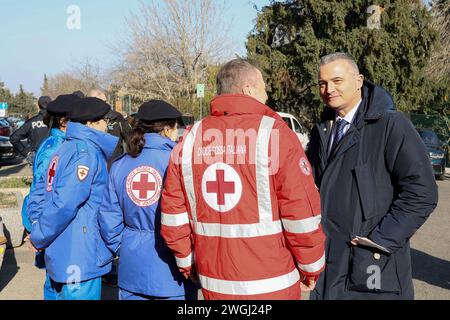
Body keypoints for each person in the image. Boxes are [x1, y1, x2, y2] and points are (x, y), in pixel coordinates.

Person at [160, 58, 326, 300]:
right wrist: (312, 267)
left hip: (213, 282)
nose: (267, 96)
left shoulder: (191, 138)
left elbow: (173, 214)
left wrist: (187, 262)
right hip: (273, 285)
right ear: (248, 89)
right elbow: (301, 212)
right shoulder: (276, 135)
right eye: (264, 87)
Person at [306, 52, 438, 300]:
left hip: (374, 265)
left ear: (358, 81)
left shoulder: (391, 125)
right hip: (328, 264)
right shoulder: (322, 130)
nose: (328, 89)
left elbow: (422, 192)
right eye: (322, 83)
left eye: (337, 81)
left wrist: (378, 241)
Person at [98, 100, 197, 300]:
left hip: (132, 266)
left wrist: (124, 245)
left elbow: (109, 217)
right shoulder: (180, 161)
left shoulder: (120, 164)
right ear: (168, 128)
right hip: (173, 267)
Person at [28, 97, 119, 300]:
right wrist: (39, 234)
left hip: (60, 248)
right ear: (91, 123)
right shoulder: (85, 153)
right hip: (79, 253)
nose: (108, 125)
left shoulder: (63, 148)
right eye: (105, 120)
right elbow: (64, 203)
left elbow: (38, 192)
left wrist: (37, 227)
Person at [23, 94, 81, 300]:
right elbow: (42, 193)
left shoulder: (62, 143)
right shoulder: (54, 148)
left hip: (52, 227)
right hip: (52, 227)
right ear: (64, 121)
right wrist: (40, 229)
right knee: (56, 285)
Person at [87, 89, 131, 167]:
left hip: (114, 166)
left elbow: (131, 139)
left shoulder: (117, 118)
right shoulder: (83, 119)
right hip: (91, 164)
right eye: (101, 102)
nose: (106, 105)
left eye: (105, 101)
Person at [10, 96, 51, 165]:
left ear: (38, 106)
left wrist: (25, 152)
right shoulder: (57, 121)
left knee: (38, 175)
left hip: (37, 156)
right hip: (54, 155)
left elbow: (14, 138)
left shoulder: (31, 122)